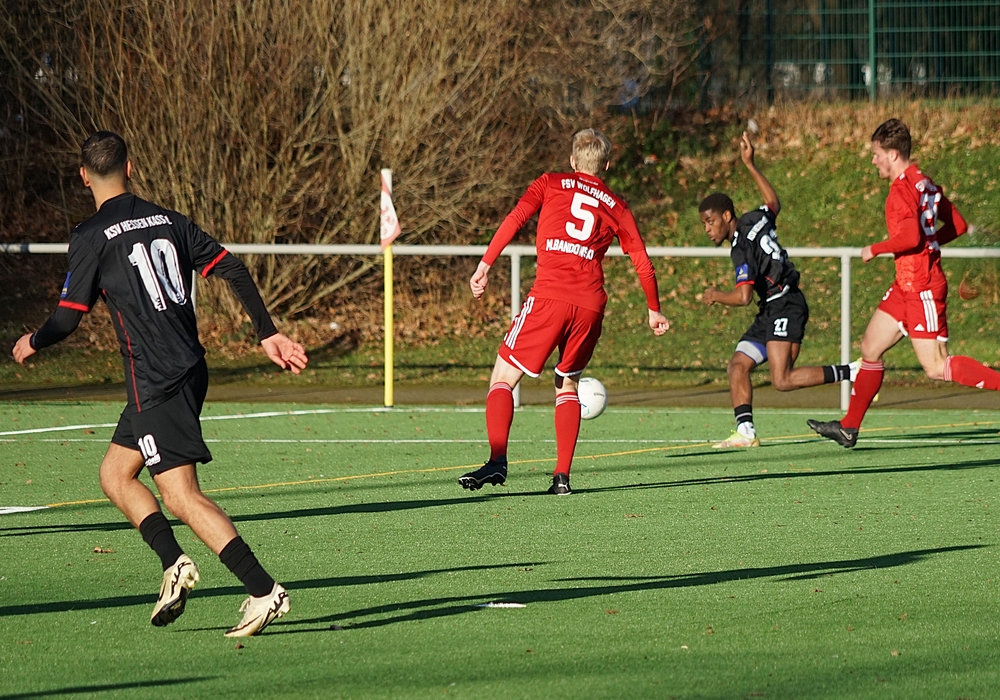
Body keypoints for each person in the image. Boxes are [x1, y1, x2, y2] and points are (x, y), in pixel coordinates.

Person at [12, 131, 308, 636]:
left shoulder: (90, 234)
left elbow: (67, 318)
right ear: (130, 168)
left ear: (83, 176)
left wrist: (32, 342)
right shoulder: (169, 220)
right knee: (115, 475)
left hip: (157, 379)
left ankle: (263, 591)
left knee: (180, 496)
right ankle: (174, 563)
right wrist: (268, 333)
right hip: (184, 369)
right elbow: (233, 268)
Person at [459, 128, 670, 495]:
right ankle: (561, 477)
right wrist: (654, 310)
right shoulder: (617, 206)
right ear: (606, 165)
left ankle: (497, 460)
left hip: (549, 297)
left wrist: (485, 264)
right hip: (590, 305)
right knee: (567, 384)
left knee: (502, 378)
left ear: (573, 161)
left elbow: (515, 218)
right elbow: (643, 262)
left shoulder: (550, 182)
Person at [808, 118, 1000, 447]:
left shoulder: (900, 191)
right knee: (870, 348)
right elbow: (957, 224)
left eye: (877, 154)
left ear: (893, 154)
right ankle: (849, 427)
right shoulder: (923, 182)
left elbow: (911, 237)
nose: (874, 160)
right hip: (905, 285)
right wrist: (929, 243)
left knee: (936, 366)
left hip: (922, 286)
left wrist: (875, 248)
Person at [699, 132, 854, 448]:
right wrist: (750, 164)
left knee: (782, 379)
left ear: (726, 216)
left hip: (785, 303)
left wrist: (715, 295)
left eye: (710, 221)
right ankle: (745, 431)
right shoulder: (755, 218)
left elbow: (743, 297)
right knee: (738, 365)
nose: (707, 229)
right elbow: (774, 202)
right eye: (703, 223)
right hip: (771, 307)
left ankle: (852, 371)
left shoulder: (740, 248)